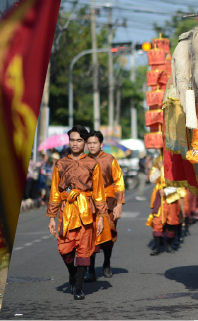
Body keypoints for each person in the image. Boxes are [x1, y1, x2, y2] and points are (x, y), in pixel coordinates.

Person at [47, 126, 107, 300]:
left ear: (85, 143)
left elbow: (99, 192)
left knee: (83, 249)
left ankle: (79, 287)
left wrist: (102, 217)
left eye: (79, 140)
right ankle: (72, 273)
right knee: (64, 249)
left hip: (86, 211)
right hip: (66, 211)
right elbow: (54, 192)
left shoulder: (93, 164)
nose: (75, 143)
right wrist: (51, 217)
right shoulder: (60, 164)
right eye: (72, 140)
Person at [85, 131, 125, 281]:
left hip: (108, 202)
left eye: (94, 143)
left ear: (101, 144)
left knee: (108, 234)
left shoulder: (110, 159)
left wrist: (119, 204)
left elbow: (119, 182)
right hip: (88, 203)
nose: (92, 146)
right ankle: (90, 269)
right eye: (89, 143)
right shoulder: (82, 160)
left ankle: (107, 263)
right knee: (89, 235)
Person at [147, 157, 185, 255]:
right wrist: (159, 169)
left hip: (171, 199)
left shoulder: (173, 160)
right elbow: (152, 179)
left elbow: (178, 182)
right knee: (157, 222)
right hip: (160, 199)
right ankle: (158, 247)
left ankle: (169, 245)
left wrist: (167, 191)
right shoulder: (157, 160)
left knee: (171, 222)